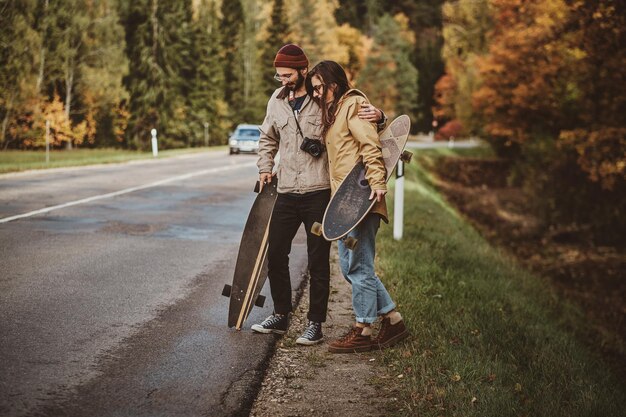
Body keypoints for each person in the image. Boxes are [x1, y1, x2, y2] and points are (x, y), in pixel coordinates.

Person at [251, 45, 386, 345]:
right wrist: (264, 167)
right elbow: (267, 138)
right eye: (279, 75)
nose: (282, 80)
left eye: (287, 74)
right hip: (286, 192)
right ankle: (281, 315)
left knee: (318, 260)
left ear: (302, 70)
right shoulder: (276, 101)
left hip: (319, 194)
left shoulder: (323, 99)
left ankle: (315, 324)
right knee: (275, 255)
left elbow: (359, 123)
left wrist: (379, 115)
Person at [305, 60, 409, 353]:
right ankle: (393, 319)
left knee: (359, 265)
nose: (315, 93)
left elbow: (370, 146)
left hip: (362, 199)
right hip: (345, 205)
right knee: (351, 266)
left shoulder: (353, 105)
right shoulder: (335, 111)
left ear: (333, 86)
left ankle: (363, 329)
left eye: (318, 88)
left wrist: (377, 183)